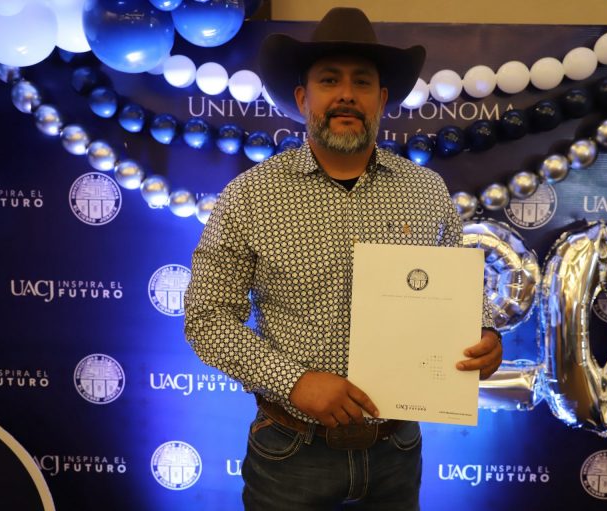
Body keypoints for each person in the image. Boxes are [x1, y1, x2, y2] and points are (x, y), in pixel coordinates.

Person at [184, 7, 503, 510]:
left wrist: (485, 334)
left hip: (397, 449)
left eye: (362, 82)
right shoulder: (250, 196)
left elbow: (459, 293)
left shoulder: (426, 191)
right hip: (291, 451)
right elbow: (206, 317)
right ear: (302, 98)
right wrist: (296, 383)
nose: (346, 94)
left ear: (382, 100)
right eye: (329, 80)